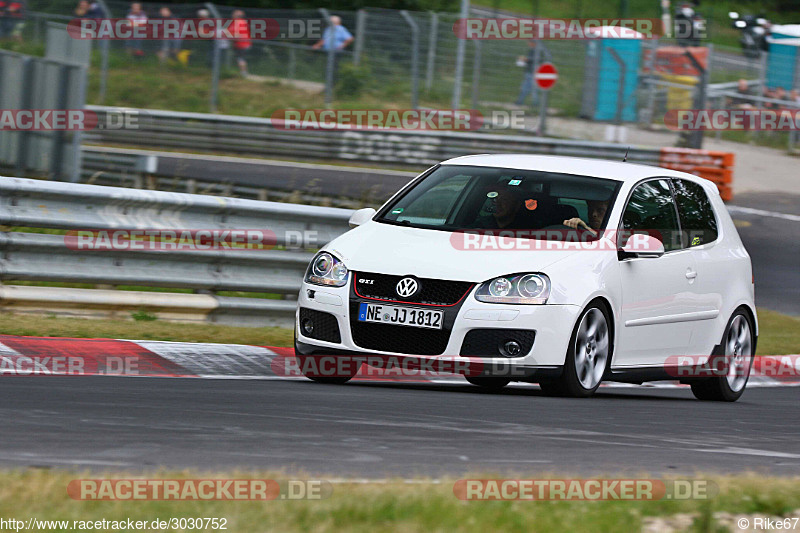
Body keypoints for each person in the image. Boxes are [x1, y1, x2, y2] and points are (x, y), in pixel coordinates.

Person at [514, 40, 539, 107]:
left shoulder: (536, 50)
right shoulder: (532, 50)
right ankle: (520, 101)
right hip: (529, 72)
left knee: (532, 88)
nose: (528, 43)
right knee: (525, 87)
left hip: (532, 72)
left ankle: (535, 103)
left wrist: (525, 59)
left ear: (533, 43)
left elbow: (535, 60)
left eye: (529, 42)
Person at [231, 9, 251, 76]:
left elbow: (237, 34)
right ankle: (243, 72)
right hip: (244, 43)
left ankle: (244, 73)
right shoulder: (242, 22)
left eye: (234, 14)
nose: (232, 15)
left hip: (241, 44)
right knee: (241, 58)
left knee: (240, 58)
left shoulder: (237, 22)